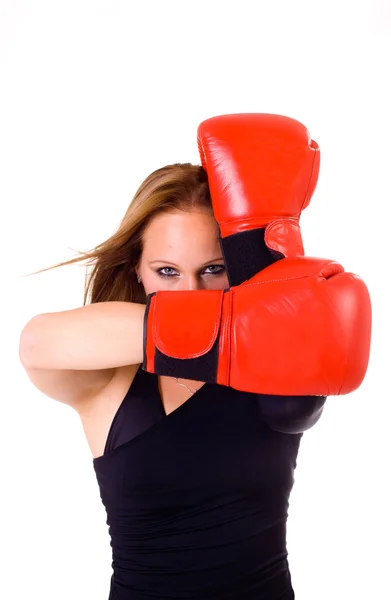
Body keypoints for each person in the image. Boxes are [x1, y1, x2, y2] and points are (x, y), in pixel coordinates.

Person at [19, 114, 371, 599]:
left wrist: (258, 247)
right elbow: (37, 344)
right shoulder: (110, 380)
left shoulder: (276, 365)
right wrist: (240, 323)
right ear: (136, 271)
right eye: (167, 271)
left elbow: (297, 401)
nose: (190, 292)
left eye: (214, 269)